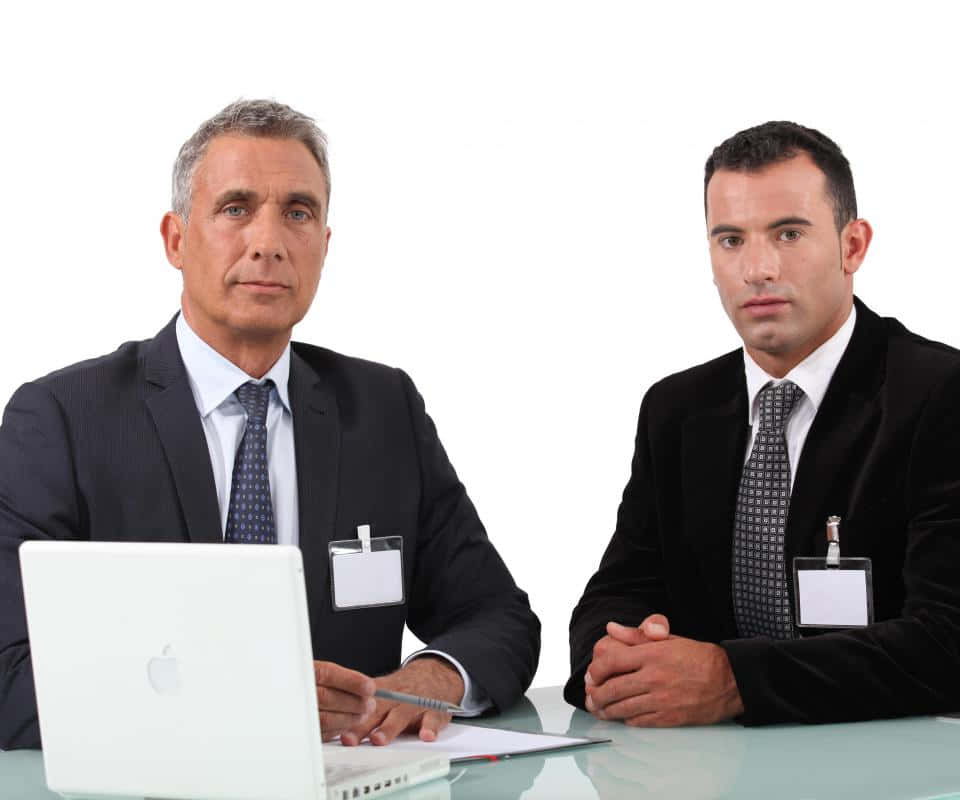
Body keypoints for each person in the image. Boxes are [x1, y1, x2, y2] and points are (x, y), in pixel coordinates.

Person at [0, 99, 540, 751]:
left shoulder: (382, 411)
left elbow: (498, 617)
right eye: (236, 208)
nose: (268, 242)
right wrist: (251, 704)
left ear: (324, 244)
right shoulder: (63, 421)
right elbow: (12, 676)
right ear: (175, 239)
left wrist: (434, 676)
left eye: (298, 213)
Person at [566, 121, 960, 726]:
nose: (756, 268)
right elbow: (619, 589)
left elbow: (947, 642)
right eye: (730, 240)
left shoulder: (938, 394)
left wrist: (735, 680)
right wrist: (614, 659)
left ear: (852, 246)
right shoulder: (675, 409)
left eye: (788, 234)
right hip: (707, 774)